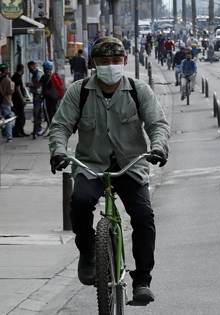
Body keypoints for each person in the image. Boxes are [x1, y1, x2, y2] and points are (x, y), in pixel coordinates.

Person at [48, 37, 171, 303]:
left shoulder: (139, 91)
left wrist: (159, 147)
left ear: (125, 61)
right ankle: (89, 251)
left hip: (130, 164)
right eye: (104, 62)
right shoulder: (78, 91)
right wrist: (57, 151)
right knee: (79, 202)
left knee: (143, 215)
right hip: (90, 164)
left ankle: (142, 280)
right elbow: (60, 125)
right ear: (93, 63)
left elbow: (157, 124)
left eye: (116, 61)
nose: (110, 66)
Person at [37, 61, 59, 133]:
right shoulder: (53, 75)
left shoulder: (44, 76)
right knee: (54, 113)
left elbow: (37, 85)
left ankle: (52, 131)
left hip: (48, 97)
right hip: (55, 97)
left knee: (49, 114)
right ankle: (56, 129)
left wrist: (30, 86)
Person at [26, 61, 44, 139]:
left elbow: (39, 85)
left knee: (37, 111)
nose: (29, 69)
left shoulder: (38, 73)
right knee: (36, 112)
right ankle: (36, 128)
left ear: (34, 66)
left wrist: (30, 86)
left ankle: (39, 128)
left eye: (30, 67)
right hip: (35, 95)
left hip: (39, 95)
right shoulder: (34, 73)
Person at [11, 64, 29, 137]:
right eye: (24, 69)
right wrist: (22, 99)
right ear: (22, 69)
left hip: (16, 99)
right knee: (19, 116)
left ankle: (21, 131)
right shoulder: (17, 78)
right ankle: (16, 131)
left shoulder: (15, 76)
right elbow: (18, 89)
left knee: (21, 116)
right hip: (17, 100)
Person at [0, 63, 15, 142]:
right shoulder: (7, 80)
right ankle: (9, 137)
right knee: (8, 119)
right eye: (8, 69)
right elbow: (10, 91)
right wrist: (13, 86)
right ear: (5, 70)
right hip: (6, 101)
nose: (9, 70)